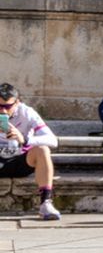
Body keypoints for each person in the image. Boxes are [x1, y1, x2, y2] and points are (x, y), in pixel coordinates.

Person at [0, 83, 61, 220]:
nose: (3, 111)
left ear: (17, 102)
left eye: (7, 106)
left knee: (43, 150)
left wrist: (25, 140)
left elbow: (53, 140)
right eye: (0, 107)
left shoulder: (27, 113)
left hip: (19, 160)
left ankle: (46, 203)